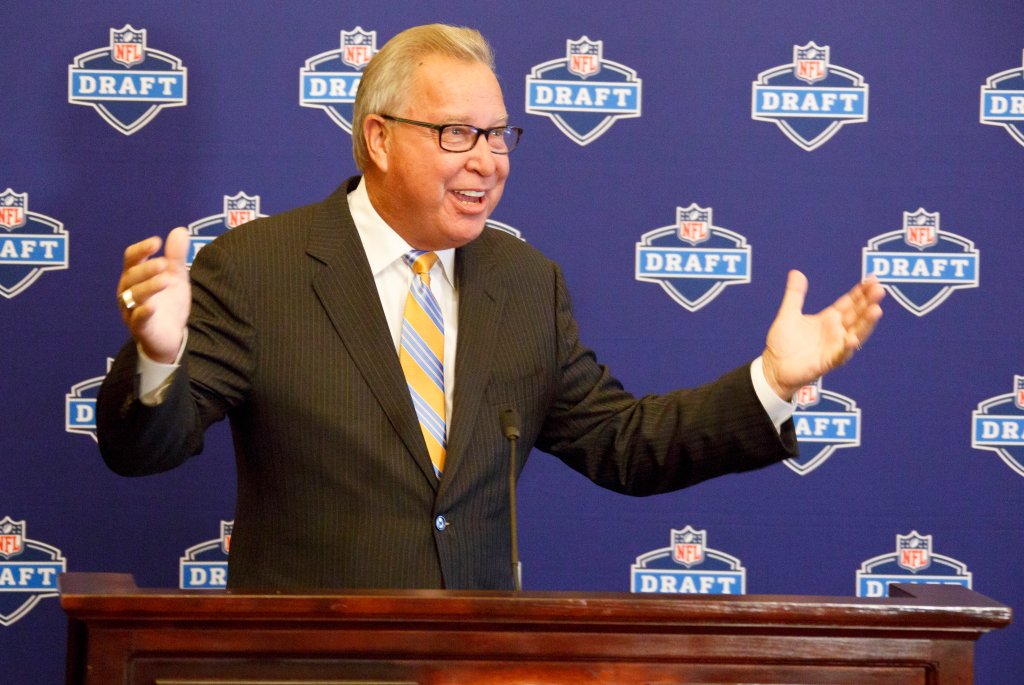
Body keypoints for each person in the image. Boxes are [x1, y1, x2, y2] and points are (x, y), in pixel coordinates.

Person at [97, 24, 884, 591]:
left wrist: (772, 382)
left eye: (500, 134)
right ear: (378, 137)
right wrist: (160, 356)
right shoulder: (259, 266)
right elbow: (142, 450)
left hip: (475, 662)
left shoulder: (524, 283)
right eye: (457, 133)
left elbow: (624, 443)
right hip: (313, 665)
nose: (489, 160)